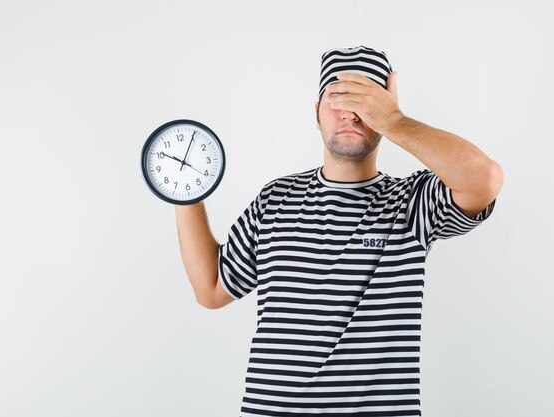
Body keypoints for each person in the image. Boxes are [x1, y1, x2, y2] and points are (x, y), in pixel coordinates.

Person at [175, 45, 503, 416]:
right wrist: (185, 191)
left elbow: (484, 180)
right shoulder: (275, 198)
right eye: (337, 97)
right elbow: (211, 289)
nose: (350, 112)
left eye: (366, 100)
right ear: (316, 113)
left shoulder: (411, 203)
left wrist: (395, 121)